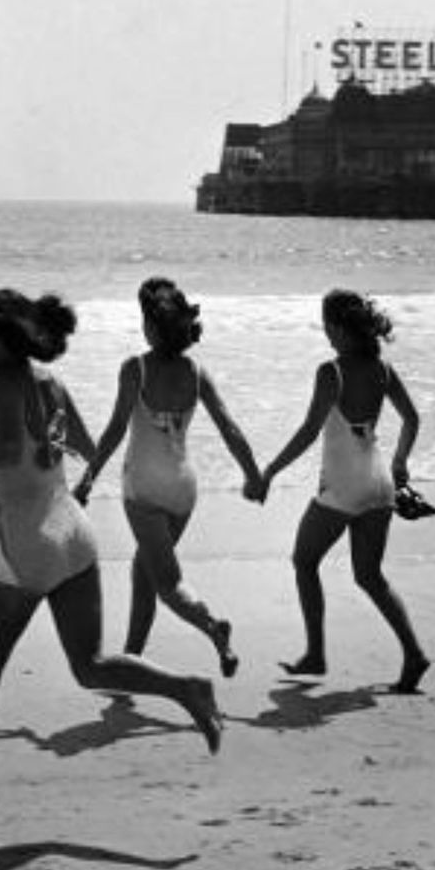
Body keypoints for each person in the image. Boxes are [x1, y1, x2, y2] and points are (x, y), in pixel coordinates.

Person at [0, 288, 222, 808]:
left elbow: (9, 450)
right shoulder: (49, 380)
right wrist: (49, 443)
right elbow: (86, 445)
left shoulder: (1, 377)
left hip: (30, 542)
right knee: (91, 666)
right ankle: (186, 688)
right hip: (75, 533)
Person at [74, 277, 263, 676]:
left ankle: (214, 628)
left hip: (143, 487)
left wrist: (87, 481)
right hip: (183, 488)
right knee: (144, 570)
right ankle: (132, 658)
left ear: (151, 328)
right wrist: (253, 475)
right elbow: (230, 428)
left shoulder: (135, 369)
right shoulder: (196, 371)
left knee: (167, 583)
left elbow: (113, 432)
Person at [253, 289, 431, 693]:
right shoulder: (382, 369)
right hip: (379, 483)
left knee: (304, 561)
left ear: (337, 326)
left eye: (326, 325)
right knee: (370, 577)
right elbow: (412, 419)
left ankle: (316, 653)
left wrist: (269, 471)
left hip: (345, 485)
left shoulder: (331, 372)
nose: (325, 333)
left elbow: (308, 432)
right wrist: (401, 464)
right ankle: (414, 654)